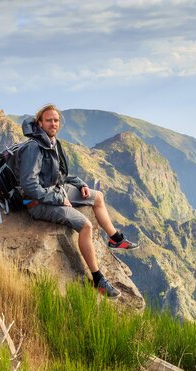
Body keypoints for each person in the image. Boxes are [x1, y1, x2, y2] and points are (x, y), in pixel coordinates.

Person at [18, 103, 139, 298]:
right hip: (38, 203)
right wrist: (59, 198)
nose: (53, 123)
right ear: (40, 123)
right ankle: (98, 279)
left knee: (97, 196)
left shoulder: (52, 142)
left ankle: (115, 239)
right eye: (48, 120)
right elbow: (29, 186)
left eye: (56, 120)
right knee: (86, 226)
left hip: (56, 190)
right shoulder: (34, 147)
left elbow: (59, 174)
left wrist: (80, 183)